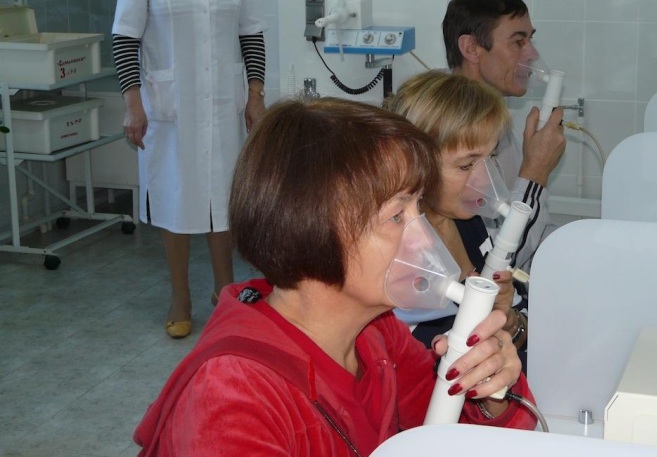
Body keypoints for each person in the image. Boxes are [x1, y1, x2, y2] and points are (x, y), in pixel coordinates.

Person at [133, 97, 537, 456]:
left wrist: (490, 393)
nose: (424, 237)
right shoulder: (233, 396)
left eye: (418, 208)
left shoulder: (376, 332)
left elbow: (448, 439)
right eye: (397, 216)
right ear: (314, 228)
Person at [111, 0, 267, 339]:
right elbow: (124, 39)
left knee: (223, 196)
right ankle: (180, 295)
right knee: (175, 199)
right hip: (169, 107)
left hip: (223, 102)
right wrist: (132, 103)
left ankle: (226, 291)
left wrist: (255, 95)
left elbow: (251, 34)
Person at [384, 70, 529, 364]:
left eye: (490, 159)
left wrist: (508, 320)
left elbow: (520, 326)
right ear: (415, 164)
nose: (485, 180)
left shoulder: (469, 222)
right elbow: (400, 361)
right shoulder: (397, 252)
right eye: (466, 166)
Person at [443, 0, 566, 275]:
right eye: (518, 42)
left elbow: (532, 237)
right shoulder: (451, 140)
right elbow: (499, 268)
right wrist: (535, 174)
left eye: (530, 40)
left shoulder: (495, 123)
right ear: (471, 48)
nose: (532, 54)